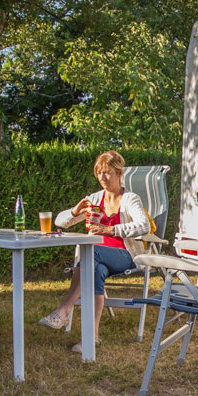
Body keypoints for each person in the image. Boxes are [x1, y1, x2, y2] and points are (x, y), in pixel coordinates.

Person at [38, 150, 149, 352]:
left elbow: (144, 226)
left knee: (91, 252)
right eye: (99, 173)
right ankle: (92, 338)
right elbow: (59, 222)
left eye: (107, 173)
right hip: (99, 257)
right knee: (95, 269)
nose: (103, 178)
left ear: (118, 173)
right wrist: (75, 211)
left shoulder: (130, 199)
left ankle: (64, 309)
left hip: (125, 255)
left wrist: (110, 229)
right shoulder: (95, 199)